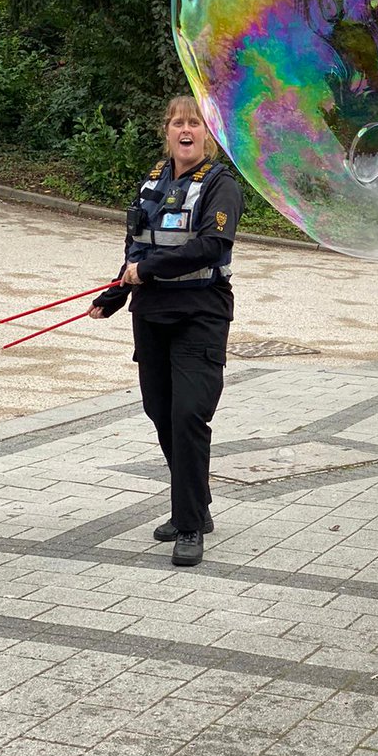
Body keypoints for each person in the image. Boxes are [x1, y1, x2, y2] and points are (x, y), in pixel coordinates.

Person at [89, 95, 244, 569]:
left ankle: (190, 524)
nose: (186, 130)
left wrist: (147, 270)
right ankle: (194, 504)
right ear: (167, 131)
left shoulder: (222, 187)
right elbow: (137, 250)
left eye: (194, 123)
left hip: (200, 313)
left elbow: (211, 246)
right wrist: (113, 296)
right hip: (152, 315)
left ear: (207, 134)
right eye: (178, 122)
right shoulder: (151, 183)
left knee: (188, 416)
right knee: (160, 411)